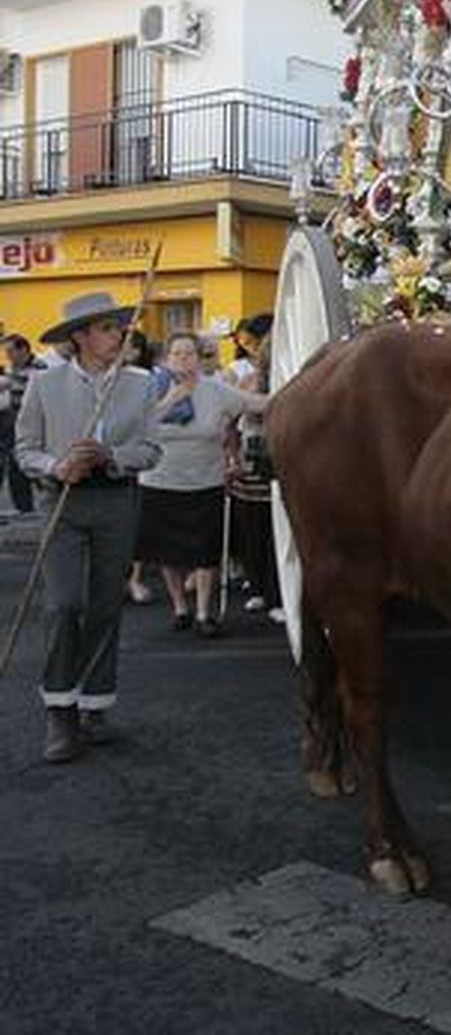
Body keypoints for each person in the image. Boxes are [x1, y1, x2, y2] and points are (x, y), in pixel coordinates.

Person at [14, 291, 161, 763]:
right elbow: (24, 450)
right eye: (108, 328)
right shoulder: (44, 384)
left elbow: (152, 450)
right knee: (63, 605)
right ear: (80, 337)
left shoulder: (140, 383)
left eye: (119, 328)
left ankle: (95, 706)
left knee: (104, 606)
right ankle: (60, 709)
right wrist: (56, 466)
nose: (119, 335)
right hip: (63, 503)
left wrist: (112, 456)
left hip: (117, 502)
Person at [136, 331, 268, 636]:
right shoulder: (149, 390)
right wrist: (172, 398)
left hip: (205, 481)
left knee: (206, 552)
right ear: (166, 359)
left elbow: (256, 404)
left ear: (199, 357)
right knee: (167, 552)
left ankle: (204, 612)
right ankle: (180, 607)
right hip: (160, 480)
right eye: (177, 354)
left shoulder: (217, 390)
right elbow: (139, 426)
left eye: (189, 353)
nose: (183, 359)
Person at [2, 333, 47, 515]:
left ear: (24, 350)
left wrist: (8, 380)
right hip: (14, 421)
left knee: (34, 465)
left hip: (35, 421)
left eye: (11, 351)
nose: (8, 356)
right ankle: (24, 508)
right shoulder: (13, 368)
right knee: (15, 464)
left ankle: (49, 499)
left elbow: (26, 384)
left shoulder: (39, 367)